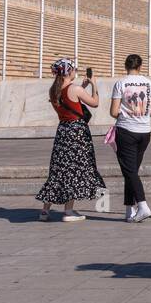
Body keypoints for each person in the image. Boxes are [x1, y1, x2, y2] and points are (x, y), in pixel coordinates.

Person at [36, 58, 106, 222]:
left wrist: (83, 87)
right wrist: (94, 85)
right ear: (68, 72)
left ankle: (45, 211)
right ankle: (68, 212)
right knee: (73, 170)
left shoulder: (53, 90)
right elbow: (94, 103)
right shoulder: (74, 89)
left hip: (63, 132)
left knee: (58, 170)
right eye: (74, 69)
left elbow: (68, 99)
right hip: (77, 133)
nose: (75, 71)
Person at [110, 53, 151, 224]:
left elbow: (113, 112)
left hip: (126, 130)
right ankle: (129, 208)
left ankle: (143, 205)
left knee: (130, 171)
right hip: (144, 131)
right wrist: (142, 114)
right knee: (131, 171)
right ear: (140, 67)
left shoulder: (120, 83)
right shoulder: (150, 83)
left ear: (126, 66)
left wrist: (129, 114)